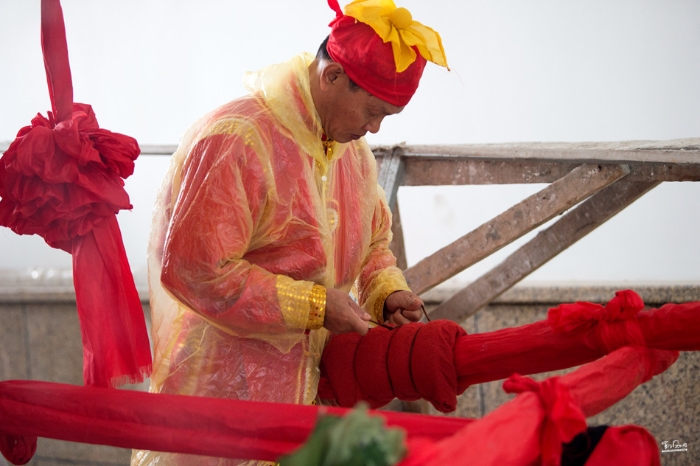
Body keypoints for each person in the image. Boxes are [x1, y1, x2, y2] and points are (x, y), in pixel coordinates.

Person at [132, 1, 447, 464]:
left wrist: (387, 291)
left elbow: (373, 243)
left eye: (388, 117)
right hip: (221, 388)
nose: (374, 128)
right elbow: (197, 271)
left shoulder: (350, 154)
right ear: (332, 76)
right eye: (373, 110)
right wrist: (316, 305)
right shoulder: (237, 137)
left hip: (307, 389)